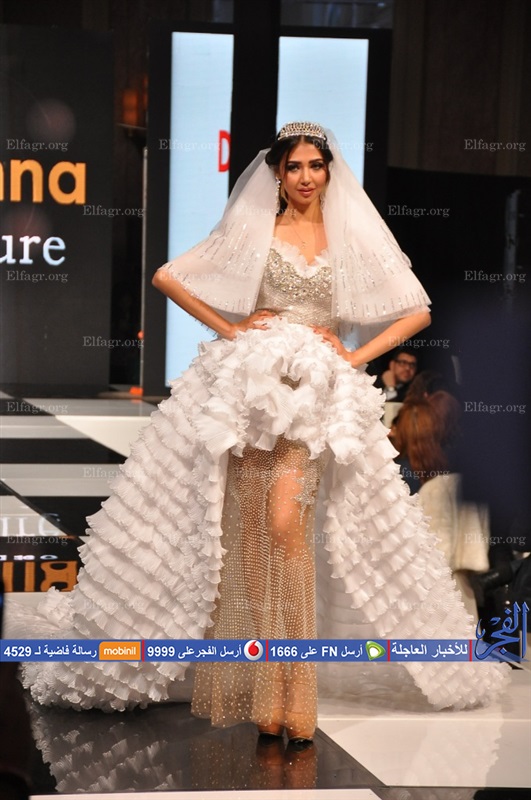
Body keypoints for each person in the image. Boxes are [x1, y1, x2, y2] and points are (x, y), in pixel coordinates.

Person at [14, 123, 508, 742]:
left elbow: (419, 311)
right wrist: (232, 329)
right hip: (250, 391)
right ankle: (262, 692)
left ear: (329, 171)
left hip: (315, 393)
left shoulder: (350, 236)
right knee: (252, 538)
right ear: (277, 172)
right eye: (294, 166)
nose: (305, 177)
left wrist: (354, 356)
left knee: (285, 528)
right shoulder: (257, 228)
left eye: (315, 166)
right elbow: (168, 276)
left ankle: (295, 692)